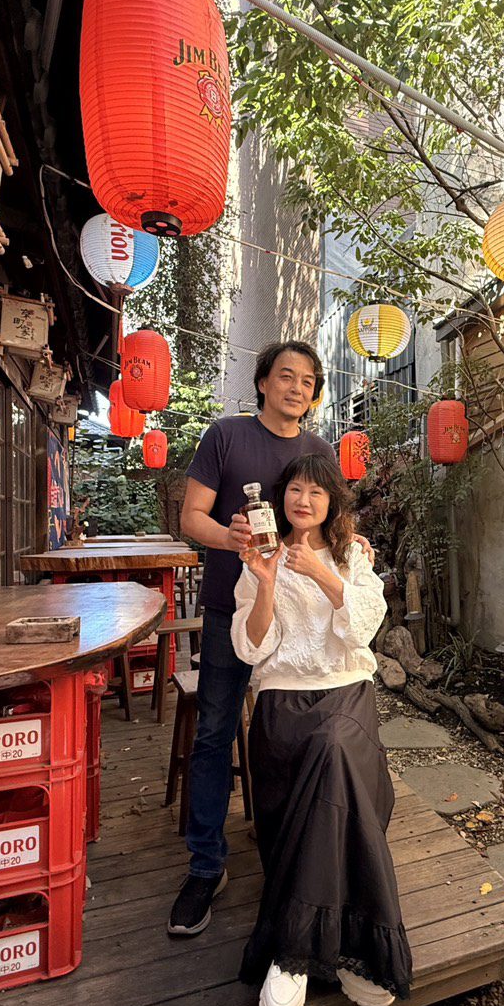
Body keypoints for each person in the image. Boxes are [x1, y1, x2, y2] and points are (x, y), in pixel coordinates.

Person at [170, 341, 372, 936]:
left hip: (298, 622)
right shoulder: (226, 437)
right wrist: (236, 542)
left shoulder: (316, 449)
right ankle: (206, 866)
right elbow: (191, 519)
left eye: (309, 381)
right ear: (263, 382)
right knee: (214, 732)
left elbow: (332, 519)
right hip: (234, 609)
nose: (297, 388)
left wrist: (352, 545)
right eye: (286, 376)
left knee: (293, 728)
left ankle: (291, 835)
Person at [232, 451, 411, 1006]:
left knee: (334, 749)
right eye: (295, 490)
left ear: (332, 502)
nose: (303, 499)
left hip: (345, 694)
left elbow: (363, 627)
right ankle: (349, 946)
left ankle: (292, 954)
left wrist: (323, 573)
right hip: (283, 699)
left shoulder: (353, 556)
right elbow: (253, 649)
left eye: (316, 491)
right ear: (279, 499)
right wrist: (265, 585)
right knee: (328, 771)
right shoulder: (260, 556)